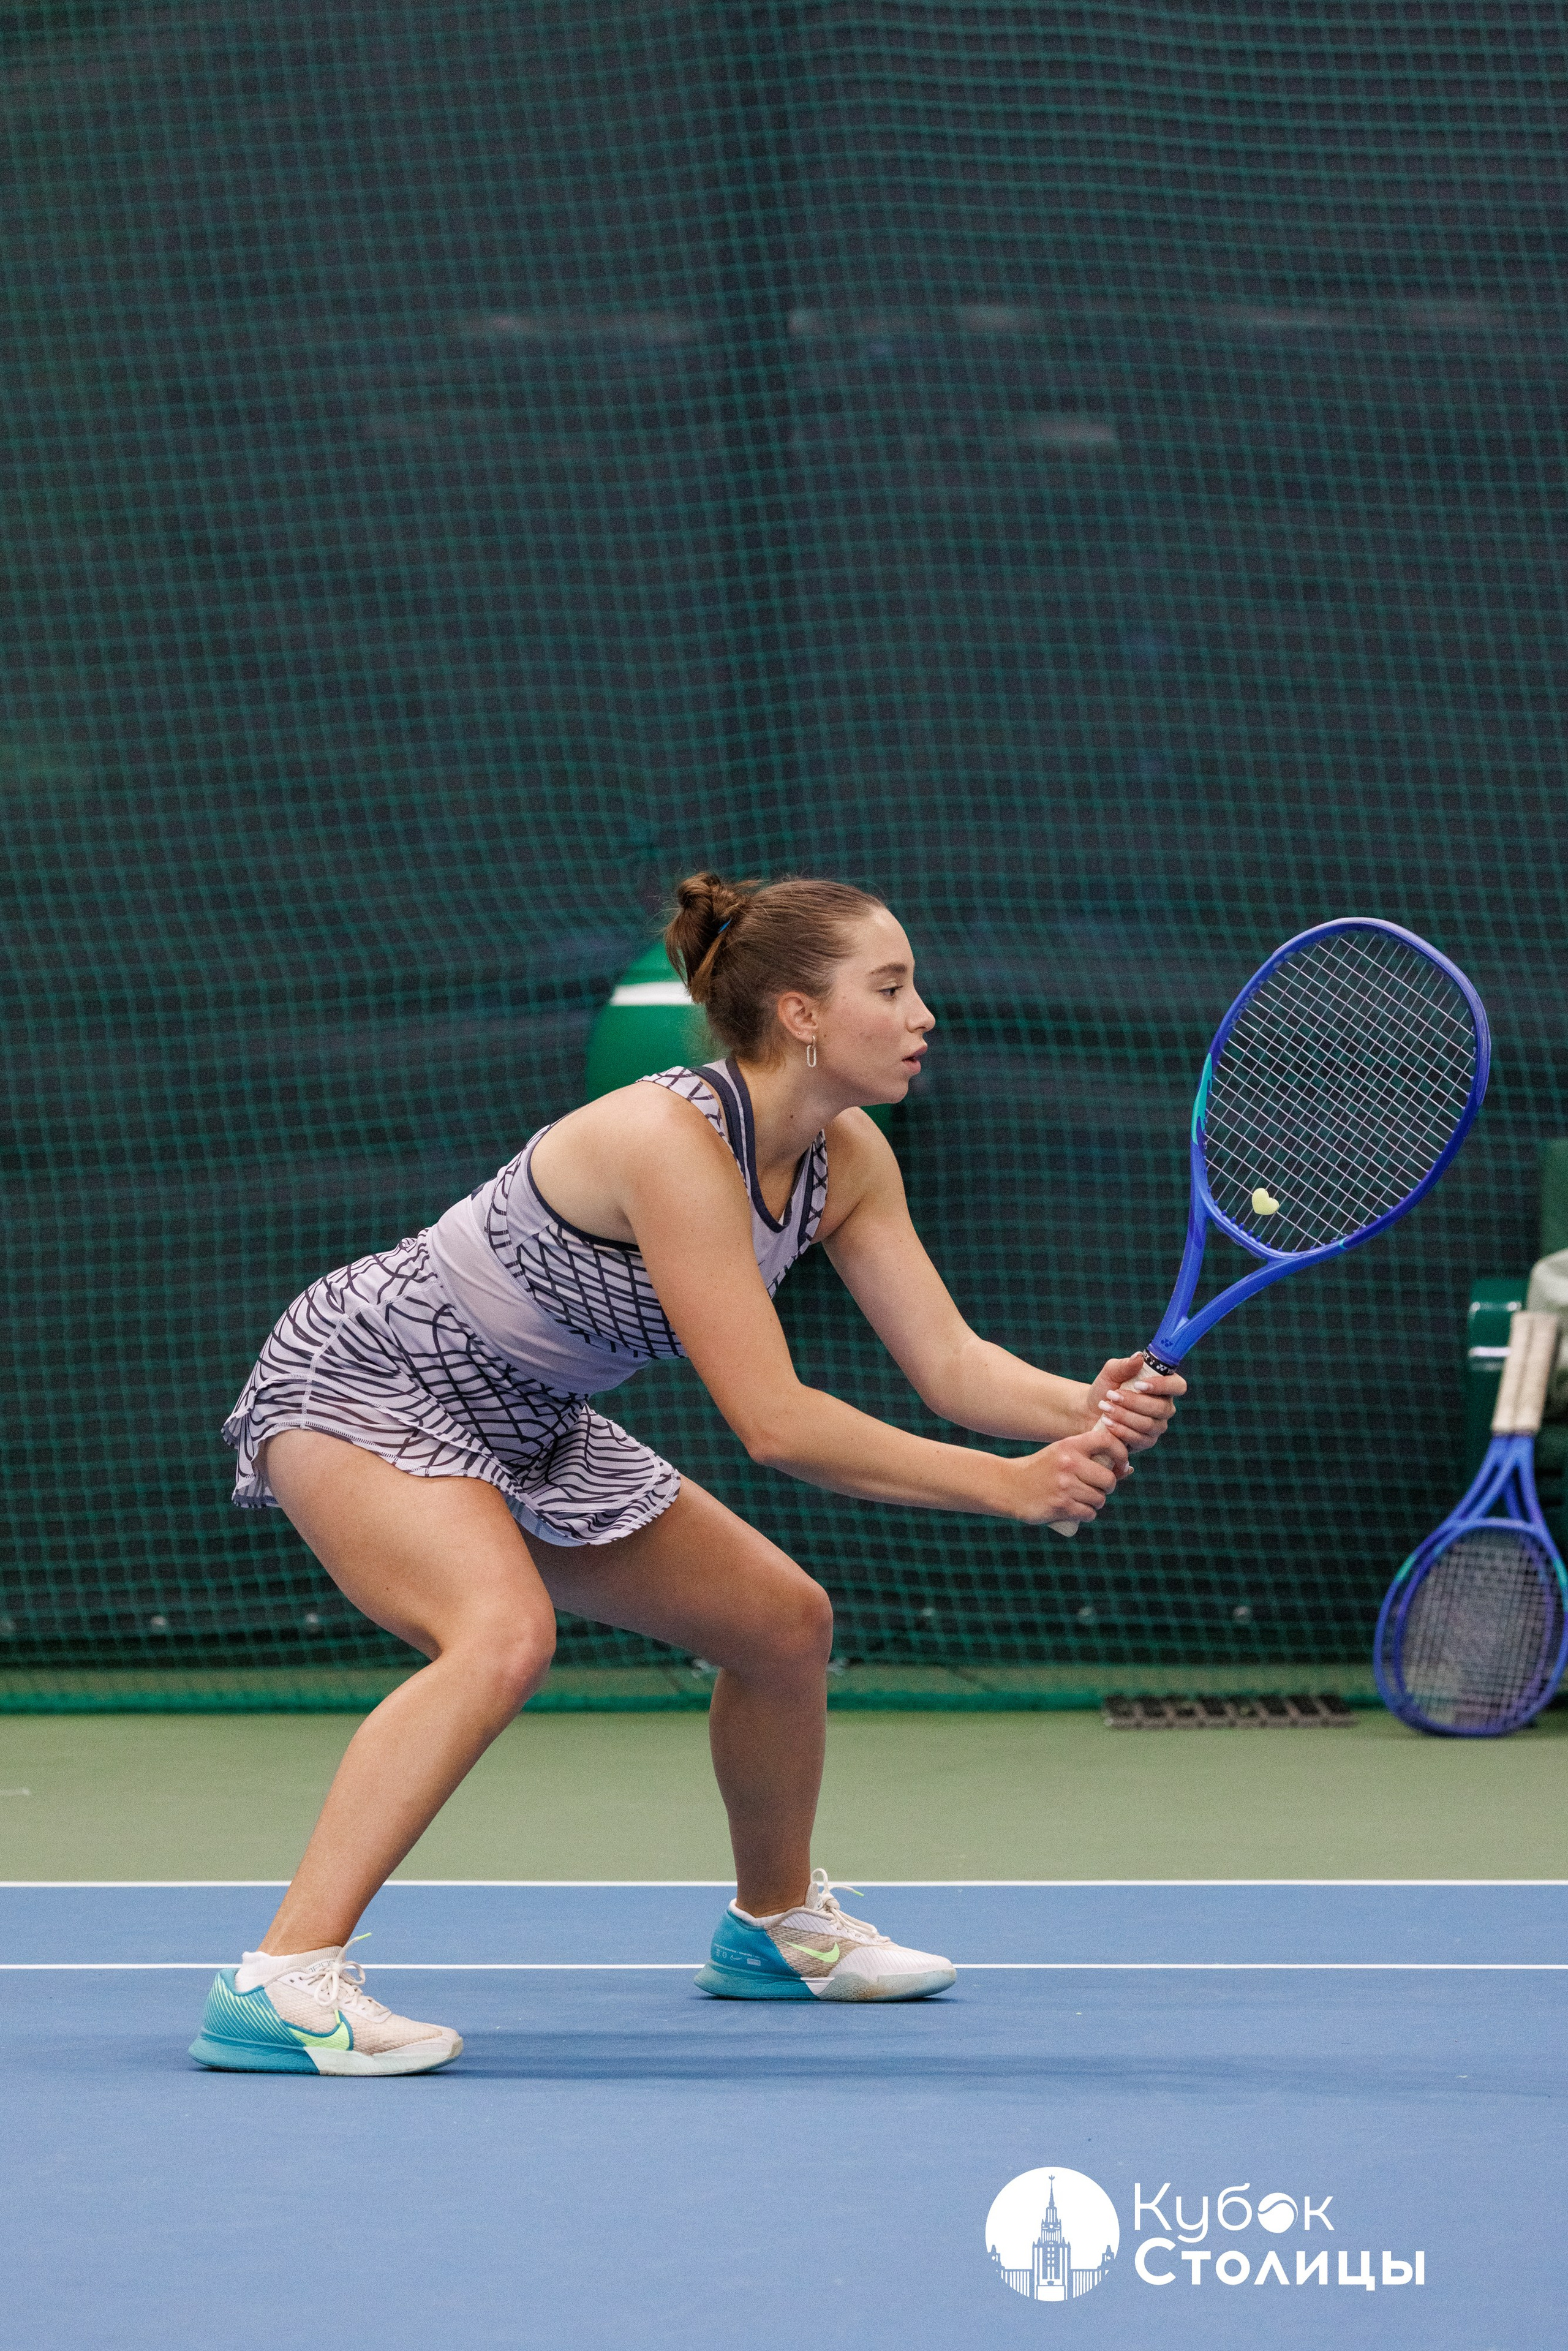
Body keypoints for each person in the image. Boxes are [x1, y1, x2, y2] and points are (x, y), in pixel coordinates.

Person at [189, 873, 1185, 2075]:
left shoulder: (847, 1156)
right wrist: (1008, 1485)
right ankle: (282, 1977)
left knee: (781, 1623)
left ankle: (773, 1925)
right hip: (372, 1375)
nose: (921, 1013)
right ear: (799, 1014)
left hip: (530, 1412)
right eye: (888, 987)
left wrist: (1082, 1405)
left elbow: (951, 1362)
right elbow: (775, 1421)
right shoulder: (671, 1143)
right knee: (499, 1635)